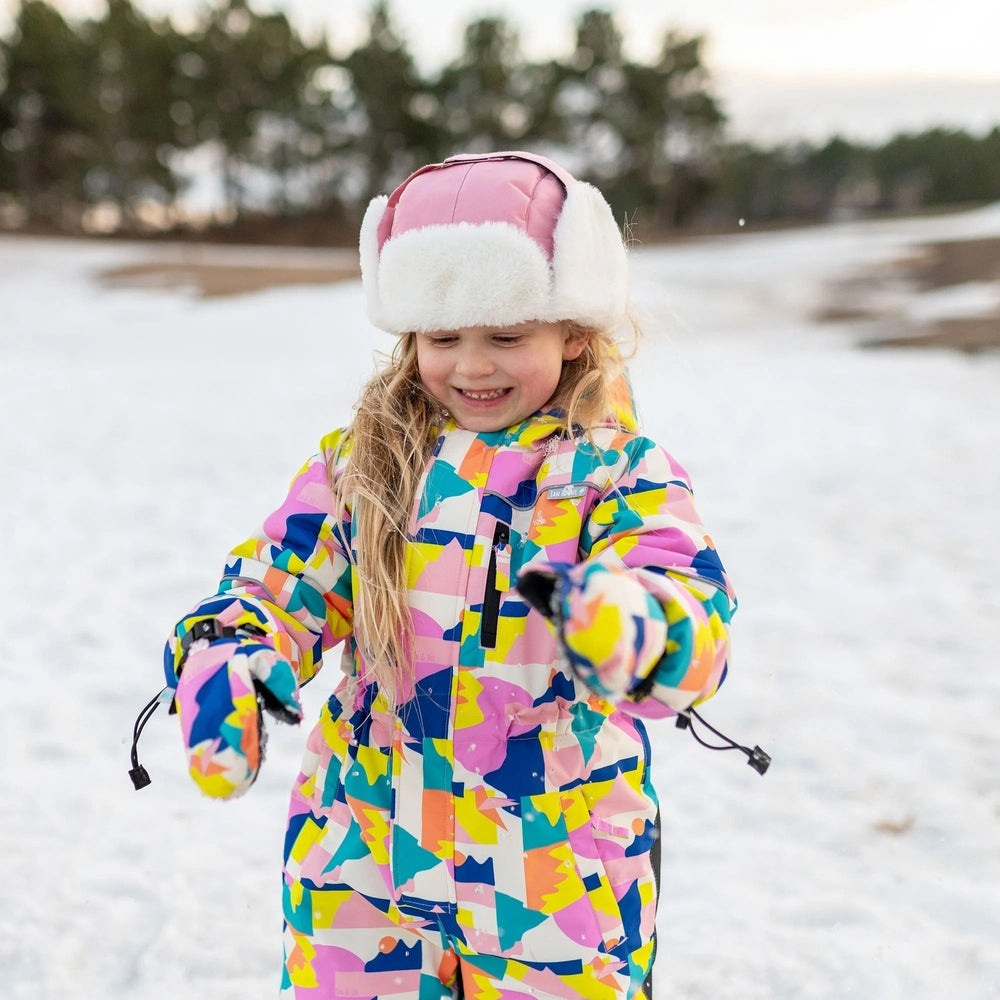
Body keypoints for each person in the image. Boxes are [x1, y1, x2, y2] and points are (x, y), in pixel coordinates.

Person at [160, 151, 736, 1000]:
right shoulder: (363, 465)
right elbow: (279, 583)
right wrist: (228, 656)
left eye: (506, 336)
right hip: (363, 863)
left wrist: (635, 626)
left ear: (574, 329)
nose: (472, 367)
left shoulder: (617, 473)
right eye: (443, 338)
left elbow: (684, 598)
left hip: (556, 876)